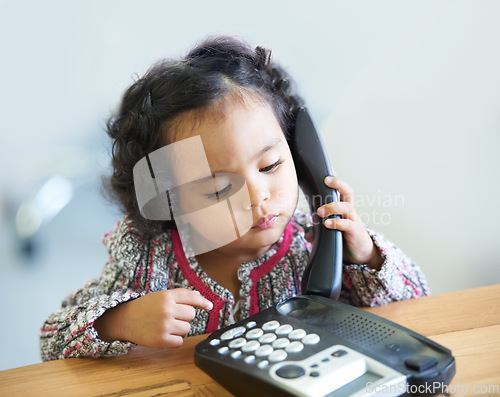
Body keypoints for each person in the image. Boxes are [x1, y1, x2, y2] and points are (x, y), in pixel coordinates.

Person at [40, 36, 429, 361]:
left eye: (271, 165)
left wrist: (365, 256)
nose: (259, 196)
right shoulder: (146, 259)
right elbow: (51, 339)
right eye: (217, 188)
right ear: (169, 200)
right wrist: (117, 321)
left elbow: (419, 308)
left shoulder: (316, 246)